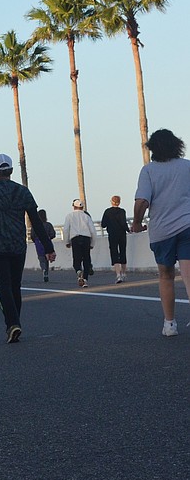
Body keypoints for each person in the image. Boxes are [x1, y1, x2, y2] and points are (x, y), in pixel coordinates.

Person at [0, 153, 56, 343]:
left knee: (3, 286)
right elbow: (36, 221)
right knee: (15, 285)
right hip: (18, 245)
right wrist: (49, 247)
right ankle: (14, 322)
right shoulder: (22, 191)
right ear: (11, 171)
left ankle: (12, 324)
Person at [132, 129, 190, 338]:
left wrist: (137, 223)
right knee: (188, 274)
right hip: (187, 226)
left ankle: (170, 324)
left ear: (153, 148)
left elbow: (142, 202)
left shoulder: (148, 171)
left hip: (163, 232)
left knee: (166, 276)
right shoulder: (187, 166)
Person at [63, 199, 97, 288]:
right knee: (86, 258)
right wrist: (92, 243)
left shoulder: (69, 216)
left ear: (73, 206)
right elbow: (93, 231)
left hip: (75, 238)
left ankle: (78, 271)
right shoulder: (86, 216)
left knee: (76, 258)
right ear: (82, 207)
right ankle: (85, 279)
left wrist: (67, 241)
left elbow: (66, 229)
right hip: (86, 238)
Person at [101, 196, 130, 283]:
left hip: (112, 234)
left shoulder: (107, 211)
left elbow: (103, 224)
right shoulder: (122, 211)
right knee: (123, 252)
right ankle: (124, 274)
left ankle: (118, 275)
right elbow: (124, 223)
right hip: (122, 234)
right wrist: (128, 230)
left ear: (111, 202)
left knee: (114, 253)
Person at [31, 209, 56, 282]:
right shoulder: (48, 225)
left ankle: (44, 269)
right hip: (47, 241)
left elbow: (32, 235)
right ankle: (46, 272)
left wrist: (35, 241)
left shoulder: (35, 225)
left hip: (38, 242)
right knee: (47, 257)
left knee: (41, 258)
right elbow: (53, 234)